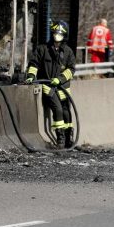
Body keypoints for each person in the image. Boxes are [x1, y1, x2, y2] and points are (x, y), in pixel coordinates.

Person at [26, 19, 76, 148]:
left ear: (64, 36)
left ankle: (68, 136)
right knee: (57, 109)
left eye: (59, 33)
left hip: (63, 88)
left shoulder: (68, 52)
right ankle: (60, 137)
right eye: (54, 33)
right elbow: (34, 64)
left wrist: (60, 79)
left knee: (66, 112)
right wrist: (31, 76)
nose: (56, 35)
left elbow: (71, 70)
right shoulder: (42, 49)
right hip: (48, 87)